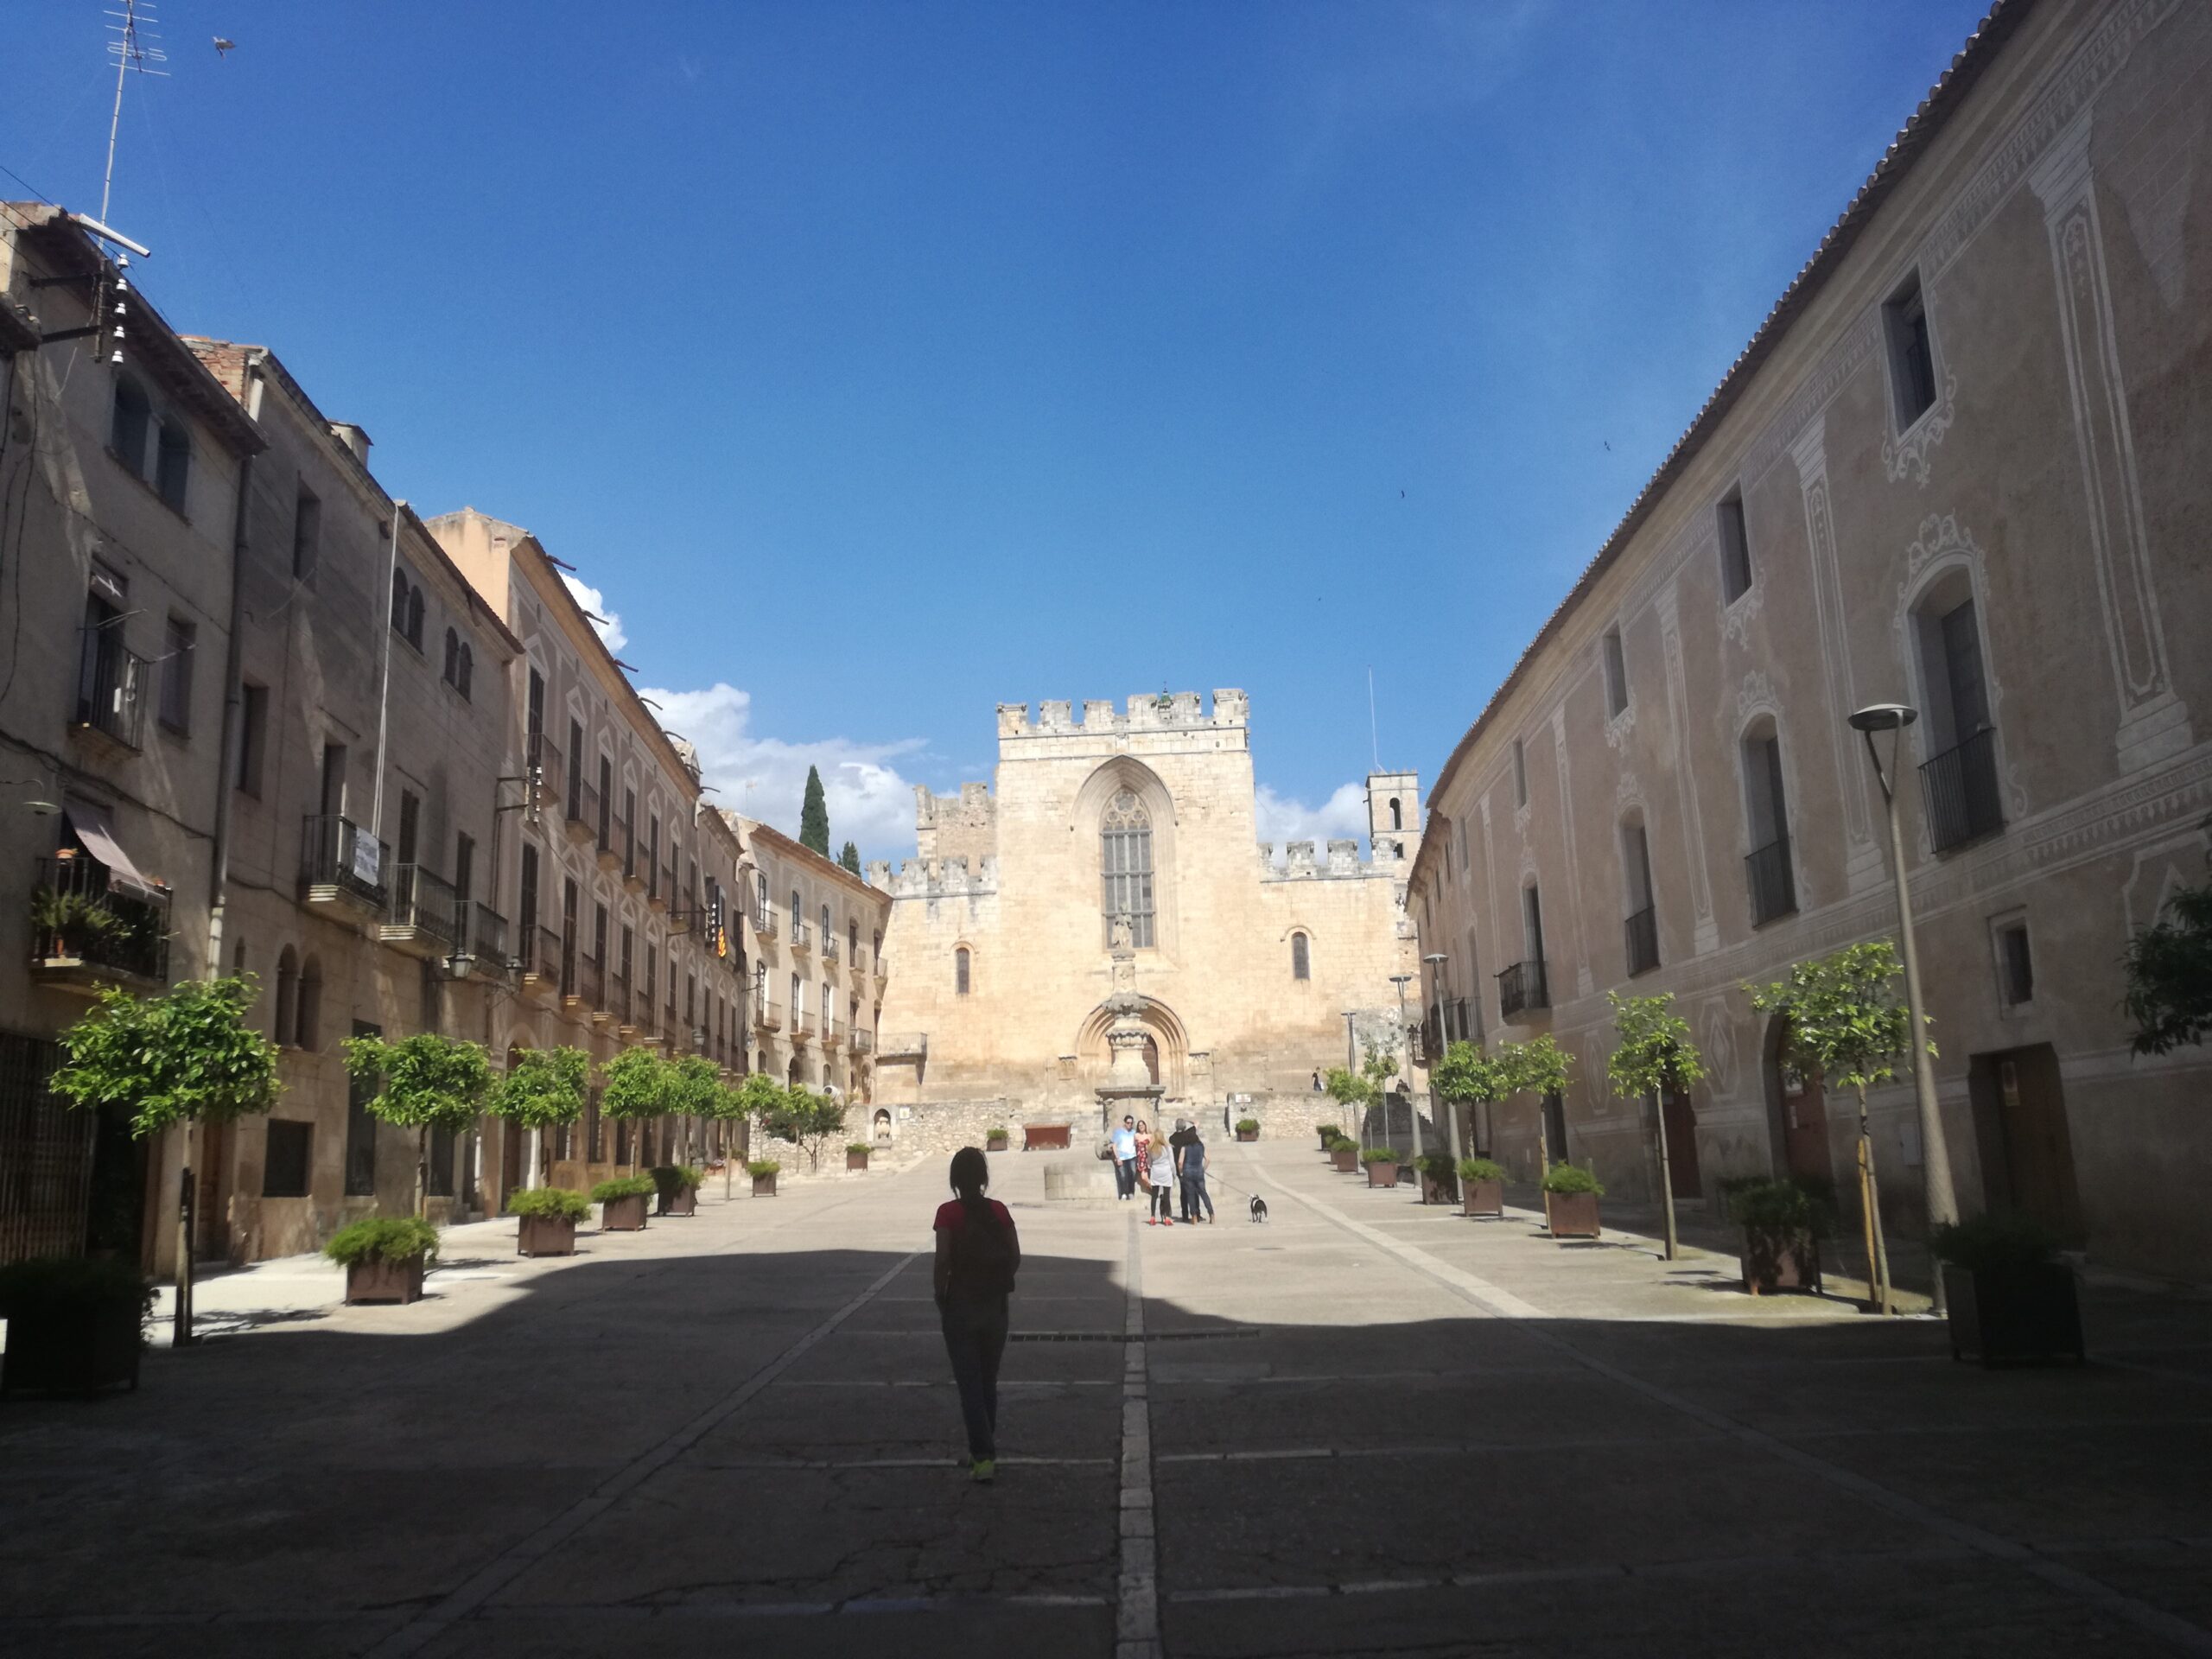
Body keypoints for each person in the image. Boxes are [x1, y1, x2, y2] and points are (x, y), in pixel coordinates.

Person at [934, 1147, 1020, 1483]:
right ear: (983, 1177)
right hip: (995, 1305)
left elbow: (943, 1259)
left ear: (955, 1179)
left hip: (961, 1304)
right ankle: (982, 1449)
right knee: (987, 1380)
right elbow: (1015, 1255)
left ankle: (983, 1457)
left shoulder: (948, 1213)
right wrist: (997, 1281)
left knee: (969, 1383)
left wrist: (940, 1294)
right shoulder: (999, 1210)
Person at [1180, 1125, 1215, 1224]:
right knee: (1203, 1193)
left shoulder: (1185, 1147)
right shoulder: (1201, 1146)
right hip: (1199, 1172)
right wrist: (1203, 1169)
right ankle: (1211, 1214)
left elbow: (1180, 1162)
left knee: (1191, 1195)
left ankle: (1194, 1217)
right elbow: (1208, 1159)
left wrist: (1181, 1172)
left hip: (1188, 1173)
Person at [1144, 1130, 1176, 1226]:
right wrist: (1174, 1174)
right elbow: (1172, 1163)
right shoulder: (1168, 1147)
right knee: (1166, 1196)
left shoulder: (1150, 1149)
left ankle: (1152, 1217)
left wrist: (1152, 1167)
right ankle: (1167, 1218)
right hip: (1166, 1171)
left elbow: (1149, 1162)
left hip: (1156, 1172)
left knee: (1154, 1196)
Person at [1168, 1118, 1197, 1222]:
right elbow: (1197, 1123)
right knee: (1193, 1191)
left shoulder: (1171, 1138)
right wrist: (1188, 1119)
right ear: (1184, 1126)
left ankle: (1185, 1215)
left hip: (1178, 1167)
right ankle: (1196, 1214)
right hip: (1189, 1165)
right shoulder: (1188, 1135)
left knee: (1183, 1192)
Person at [1110, 1114, 1138, 1200]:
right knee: (1123, 1175)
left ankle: (1131, 1192)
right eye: (1128, 1123)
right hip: (1121, 1157)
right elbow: (1114, 1145)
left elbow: (1137, 1143)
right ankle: (1123, 1193)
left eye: (1131, 1123)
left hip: (1132, 1156)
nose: (1129, 1124)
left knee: (1132, 1174)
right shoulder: (1118, 1132)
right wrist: (1117, 1157)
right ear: (1125, 1123)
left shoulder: (1134, 1132)